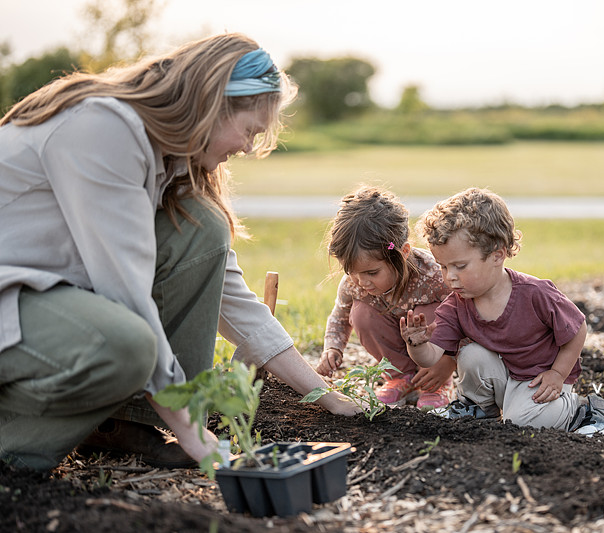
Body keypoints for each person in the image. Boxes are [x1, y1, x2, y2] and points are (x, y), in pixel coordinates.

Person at [0, 33, 359, 471]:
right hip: (11, 302)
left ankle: (120, 425)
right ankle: (14, 450)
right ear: (211, 103)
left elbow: (228, 290)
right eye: (249, 130)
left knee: (202, 228)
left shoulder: (169, 161)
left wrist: (321, 393)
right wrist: (197, 435)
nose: (248, 147)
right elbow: (126, 296)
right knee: (128, 345)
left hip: (36, 298)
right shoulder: (104, 129)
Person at [399, 188, 604, 434]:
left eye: (460, 266)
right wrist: (416, 345)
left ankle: (585, 411)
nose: (450, 277)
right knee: (471, 355)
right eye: (443, 267)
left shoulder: (535, 293)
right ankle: (480, 408)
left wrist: (558, 373)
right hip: (504, 379)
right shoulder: (457, 304)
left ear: (497, 255)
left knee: (522, 423)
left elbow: (578, 328)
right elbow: (432, 356)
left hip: (540, 381)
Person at [316, 186, 456, 411]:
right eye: (351, 271)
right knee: (361, 314)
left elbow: (467, 316)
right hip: (397, 348)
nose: (362, 281)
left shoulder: (433, 276)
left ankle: (435, 383)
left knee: (427, 315)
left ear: (403, 253)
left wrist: (449, 362)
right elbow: (340, 318)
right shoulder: (354, 283)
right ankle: (402, 376)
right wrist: (332, 348)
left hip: (435, 354)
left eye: (372, 273)